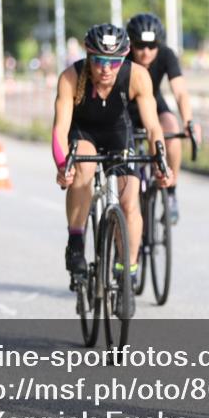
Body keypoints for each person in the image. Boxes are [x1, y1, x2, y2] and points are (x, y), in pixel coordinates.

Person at [52, 24, 169, 315]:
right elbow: (59, 129)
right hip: (84, 133)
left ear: (125, 58)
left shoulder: (137, 76)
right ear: (88, 56)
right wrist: (62, 164)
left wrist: (160, 160)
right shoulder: (70, 77)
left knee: (130, 204)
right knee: (83, 171)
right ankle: (76, 241)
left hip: (119, 133)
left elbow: (153, 126)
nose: (106, 69)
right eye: (100, 61)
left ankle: (126, 270)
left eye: (114, 62)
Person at [125, 12, 200, 223]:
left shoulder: (166, 55)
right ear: (131, 44)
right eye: (140, 46)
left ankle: (171, 191)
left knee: (172, 131)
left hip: (154, 105)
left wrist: (188, 122)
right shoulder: (123, 56)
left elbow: (180, 92)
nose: (146, 52)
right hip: (126, 109)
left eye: (152, 46)